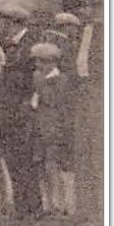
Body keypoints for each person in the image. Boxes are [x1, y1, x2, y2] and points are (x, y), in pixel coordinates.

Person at [0, 5, 42, 218]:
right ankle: (21, 206)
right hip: (7, 109)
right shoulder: (7, 46)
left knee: (26, 158)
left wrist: (29, 105)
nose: (2, 27)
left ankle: (33, 206)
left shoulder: (31, 45)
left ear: (13, 22)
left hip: (22, 109)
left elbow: (35, 81)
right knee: (12, 158)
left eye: (4, 23)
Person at [30, 41, 76, 216]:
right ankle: (47, 203)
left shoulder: (60, 81)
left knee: (54, 167)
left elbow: (58, 105)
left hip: (54, 129)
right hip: (39, 128)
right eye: (37, 62)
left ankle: (60, 204)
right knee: (42, 167)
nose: (38, 66)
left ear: (52, 62)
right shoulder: (37, 78)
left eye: (42, 62)